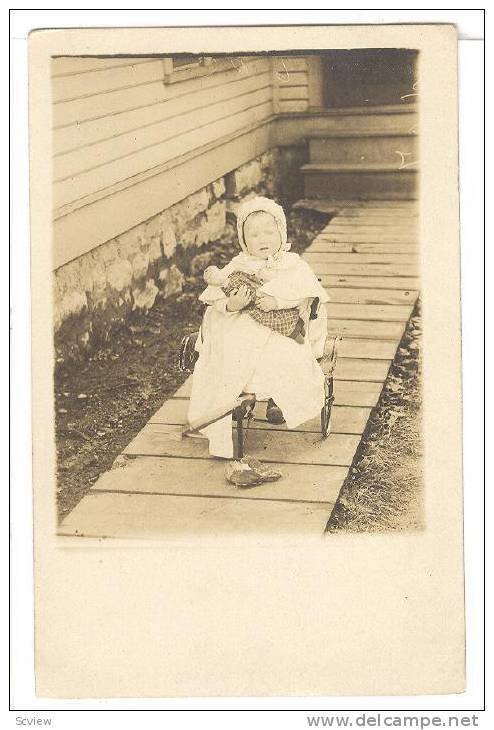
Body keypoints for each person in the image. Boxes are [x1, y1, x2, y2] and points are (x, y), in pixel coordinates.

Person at [187, 196, 330, 459]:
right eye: (253, 235)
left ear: (281, 232)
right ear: (243, 239)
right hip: (243, 325)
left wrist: (277, 300)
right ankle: (233, 395)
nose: (262, 239)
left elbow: (306, 294)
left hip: (281, 327)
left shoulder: (293, 264)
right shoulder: (238, 265)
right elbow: (216, 298)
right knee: (230, 350)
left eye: (269, 232)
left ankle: (278, 396)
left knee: (281, 354)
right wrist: (231, 304)